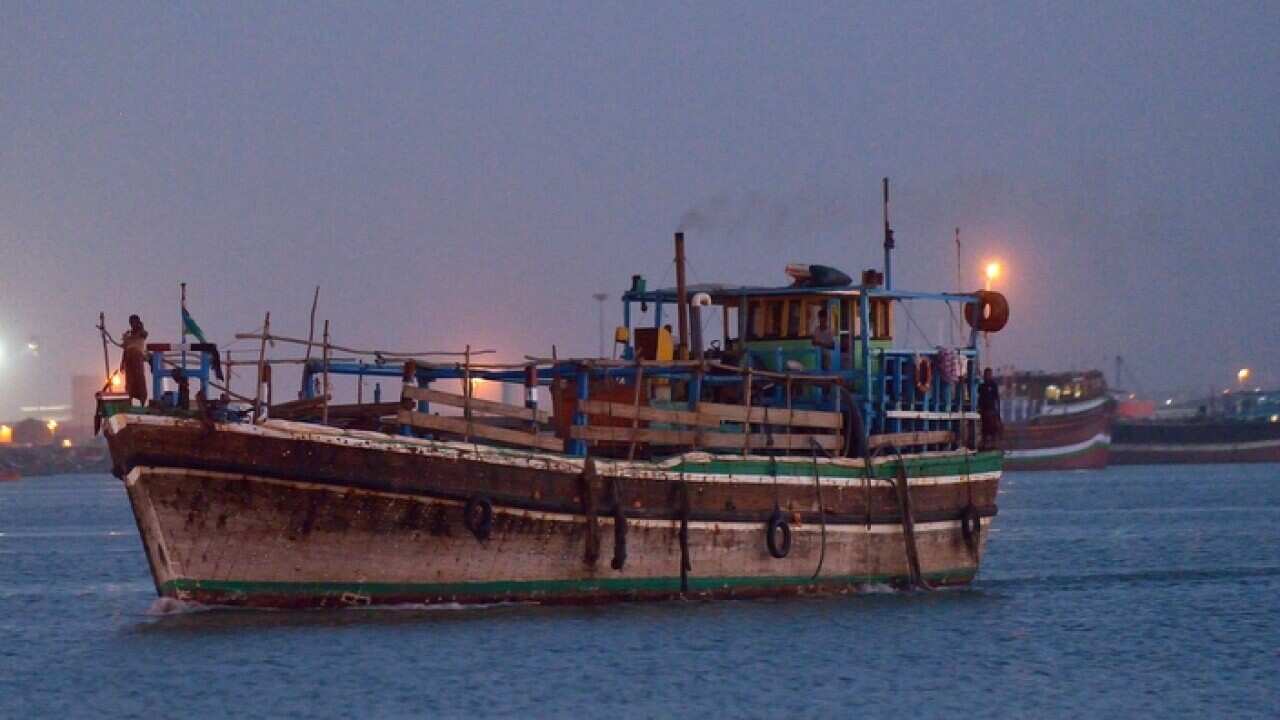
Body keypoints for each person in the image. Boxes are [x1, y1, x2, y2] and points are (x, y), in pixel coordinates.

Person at [120, 315, 149, 406]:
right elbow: (125, 349)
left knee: (139, 378)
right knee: (129, 381)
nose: (133, 324)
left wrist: (140, 327)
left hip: (137, 356)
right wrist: (122, 363)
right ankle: (129, 402)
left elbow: (144, 334)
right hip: (128, 358)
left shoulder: (141, 332)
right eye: (131, 322)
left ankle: (142, 402)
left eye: (134, 322)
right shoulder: (128, 335)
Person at [978, 367, 1003, 448]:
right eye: (986, 375)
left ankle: (994, 445)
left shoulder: (993, 385)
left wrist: (998, 412)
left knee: (993, 430)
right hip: (984, 411)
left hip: (992, 410)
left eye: (989, 374)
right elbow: (979, 398)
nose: (987, 376)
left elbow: (997, 398)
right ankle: (984, 444)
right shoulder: (982, 386)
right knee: (984, 429)